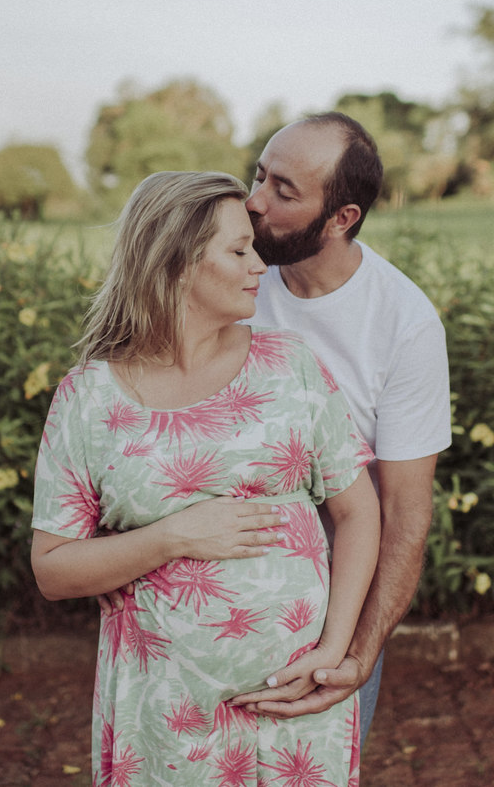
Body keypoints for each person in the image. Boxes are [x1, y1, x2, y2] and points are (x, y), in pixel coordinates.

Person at [30, 170, 381, 785]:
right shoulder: (88, 398)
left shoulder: (290, 365)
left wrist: (335, 648)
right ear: (175, 262)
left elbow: (357, 511)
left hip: (294, 708)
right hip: (165, 717)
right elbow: (53, 569)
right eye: (238, 251)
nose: (259, 266)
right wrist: (172, 537)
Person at [229, 112, 452, 744]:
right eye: (259, 176)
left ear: (341, 218)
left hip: (331, 585)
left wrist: (358, 653)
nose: (254, 201)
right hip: (210, 568)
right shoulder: (227, 276)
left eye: (284, 191)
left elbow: (404, 510)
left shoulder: (404, 324)